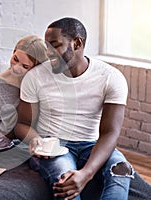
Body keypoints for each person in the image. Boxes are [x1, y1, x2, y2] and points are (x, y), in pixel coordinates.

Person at [14, 17, 134, 200]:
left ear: (77, 43)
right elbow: (22, 123)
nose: (49, 53)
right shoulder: (35, 77)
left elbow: (110, 132)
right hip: (53, 144)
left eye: (55, 45)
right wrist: (36, 141)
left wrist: (87, 173)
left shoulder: (110, 77)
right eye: (47, 47)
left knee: (121, 169)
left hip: (91, 145)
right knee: (65, 179)